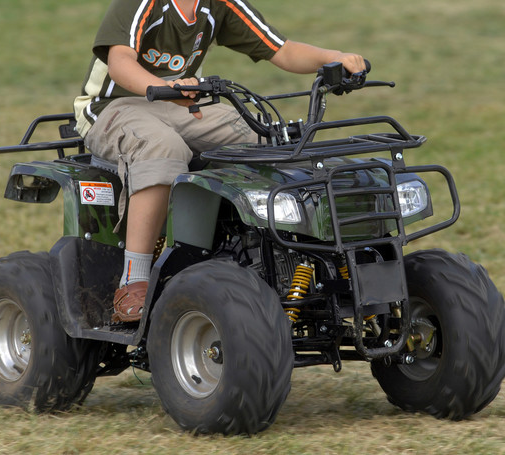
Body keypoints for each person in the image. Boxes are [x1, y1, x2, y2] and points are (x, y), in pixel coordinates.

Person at [74, 0, 365, 323]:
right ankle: (134, 280)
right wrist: (164, 87)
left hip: (181, 103)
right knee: (162, 148)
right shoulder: (144, 4)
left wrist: (334, 59)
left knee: (261, 138)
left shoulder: (220, 5)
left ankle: (275, 261)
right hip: (114, 106)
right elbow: (119, 62)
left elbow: (281, 50)